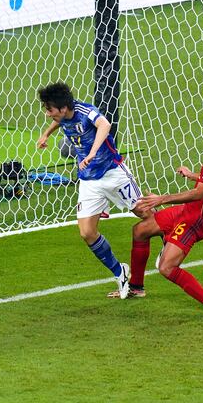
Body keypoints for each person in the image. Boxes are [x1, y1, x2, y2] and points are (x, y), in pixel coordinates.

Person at [37, 82, 147, 299]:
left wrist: (92, 153)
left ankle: (171, 246)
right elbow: (61, 124)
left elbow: (104, 126)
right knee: (87, 233)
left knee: (146, 215)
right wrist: (46, 135)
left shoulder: (86, 111)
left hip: (113, 173)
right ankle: (120, 271)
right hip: (89, 180)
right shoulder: (62, 117)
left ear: (62, 108)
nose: (48, 113)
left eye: (49, 109)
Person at [131, 111, 203, 320]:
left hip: (196, 219)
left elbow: (200, 192)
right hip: (189, 210)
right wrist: (194, 175)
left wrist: (162, 199)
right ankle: (136, 287)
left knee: (166, 267)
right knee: (140, 230)